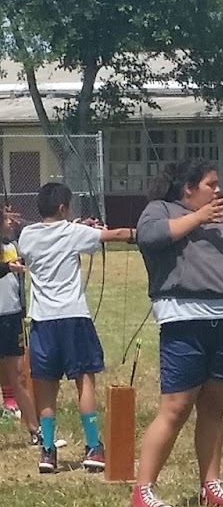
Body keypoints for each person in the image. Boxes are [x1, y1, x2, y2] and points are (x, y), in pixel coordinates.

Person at [132, 160, 223, 507]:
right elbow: (150, 237)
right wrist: (198, 218)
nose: (218, 191)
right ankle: (143, 490)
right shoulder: (160, 211)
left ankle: (210, 483)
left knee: (214, 405)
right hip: (184, 319)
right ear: (188, 188)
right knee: (177, 406)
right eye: (210, 185)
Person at [16, 183, 134, 473]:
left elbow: (48, 235)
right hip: (73, 317)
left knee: (46, 387)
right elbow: (114, 235)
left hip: (43, 321)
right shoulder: (73, 232)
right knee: (84, 381)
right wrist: (139, 233)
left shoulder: (27, 236)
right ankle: (93, 447)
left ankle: (47, 451)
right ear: (62, 208)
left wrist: (78, 225)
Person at [0, 207, 40, 443]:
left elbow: (35, 229)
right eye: (5, 219)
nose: (10, 221)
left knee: (20, 376)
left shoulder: (12, 247)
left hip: (11, 316)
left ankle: (36, 431)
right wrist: (6, 268)